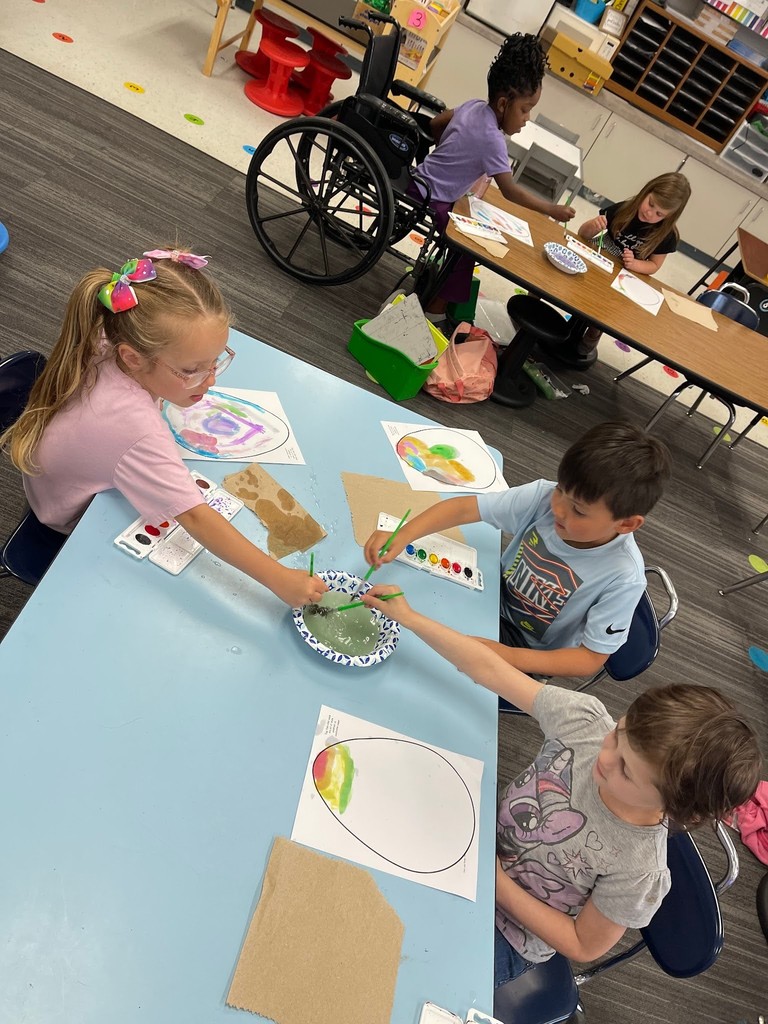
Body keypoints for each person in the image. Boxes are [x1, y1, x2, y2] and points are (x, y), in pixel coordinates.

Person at [359, 585, 762, 983]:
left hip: (507, 934)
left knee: (389, 970)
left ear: (676, 809)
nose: (605, 758)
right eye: (618, 735)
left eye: (626, 770)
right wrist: (409, 618)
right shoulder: (586, 724)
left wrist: (496, 884)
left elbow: (583, 945)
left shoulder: (640, 871)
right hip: (469, 843)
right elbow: (487, 668)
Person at [0, 247, 327, 608]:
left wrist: (186, 372)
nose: (211, 381)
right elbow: (197, 518)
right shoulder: (136, 431)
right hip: (64, 519)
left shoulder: (109, 331)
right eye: (192, 370)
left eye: (217, 360)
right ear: (133, 358)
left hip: (45, 477)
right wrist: (279, 578)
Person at [363, 421, 671, 678]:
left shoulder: (622, 577)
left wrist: (507, 655)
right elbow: (464, 509)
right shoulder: (543, 496)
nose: (559, 509)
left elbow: (589, 659)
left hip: (525, 652)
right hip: (488, 598)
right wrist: (403, 534)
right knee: (398, 623)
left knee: (418, 669)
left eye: (578, 510)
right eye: (561, 491)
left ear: (627, 524)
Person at [411, 33, 576, 330]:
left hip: (421, 181)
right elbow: (511, 192)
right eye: (525, 109)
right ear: (503, 104)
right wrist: (552, 210)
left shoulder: (474, 106)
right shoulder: (493, 140)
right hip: (434, 198)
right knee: (467, 249)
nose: (527, 118)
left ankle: (437, 296)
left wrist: (446, 153)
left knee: (467, 235)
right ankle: (434, 314)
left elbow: (436, 124)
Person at [571, 171, 692, 358]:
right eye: (650, 204)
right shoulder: (624, 209)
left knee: (605, 308)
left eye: (659, 213)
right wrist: (593, 227)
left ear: (669, 216)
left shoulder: (667, 235)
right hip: (601, 254)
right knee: (575, 283)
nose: (649, 213)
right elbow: (583, 235)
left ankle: (593, 334)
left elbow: (654, 265)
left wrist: (635, 264)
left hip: (628, 270)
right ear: (646, 192)